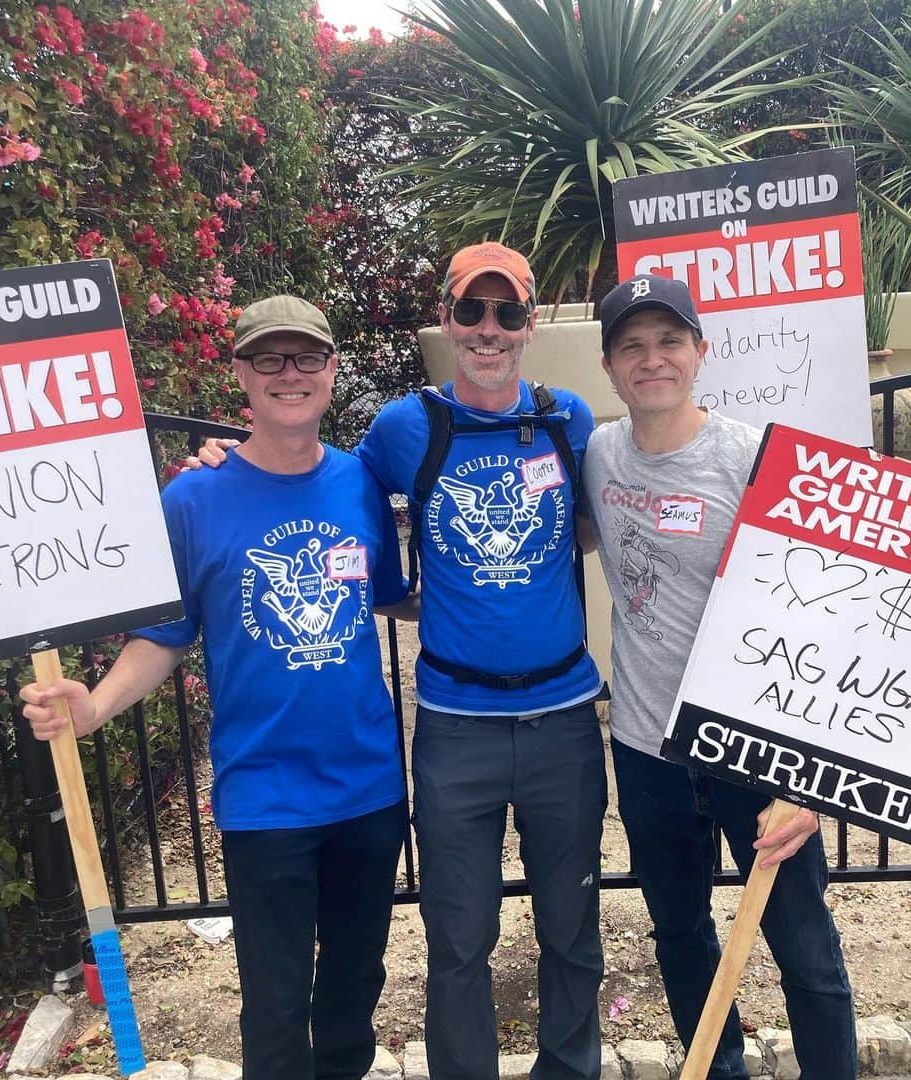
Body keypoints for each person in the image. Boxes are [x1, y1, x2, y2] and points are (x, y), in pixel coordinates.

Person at [195, 243, 608, 1080]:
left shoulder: (569, 422)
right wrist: (221, 461)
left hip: (564, 715)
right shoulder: (400, 429)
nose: (489, 330)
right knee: (459, 940)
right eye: (472, 311)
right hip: (457, 728)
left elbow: (593, 531)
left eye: (508, 312)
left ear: (530, 324)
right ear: (449, 319)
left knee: (572, 927)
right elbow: (319, 484)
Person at [21, 296, 411, 1080]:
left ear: (333, 372)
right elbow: (166, 637)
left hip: (369, 791)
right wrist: (94, 704)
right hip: (264, 799)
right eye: (269, 359)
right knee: (273, 1006)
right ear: (240, 375)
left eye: (307, 358)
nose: (289, 374)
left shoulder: (361, 484)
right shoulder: (191, 501)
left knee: (353, 991)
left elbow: (394, 595)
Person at [578, 274, 857, 1079]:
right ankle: (720, 1067)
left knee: (803, 943)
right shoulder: (598, 451)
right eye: (632, 345)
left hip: (757, 746)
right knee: (681, 934)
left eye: (669, 341)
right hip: (646, 746)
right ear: (609, 365)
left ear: (701, 352)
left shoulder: (750, 454)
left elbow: (822, 607)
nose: (651, 358)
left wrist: (808, 779)